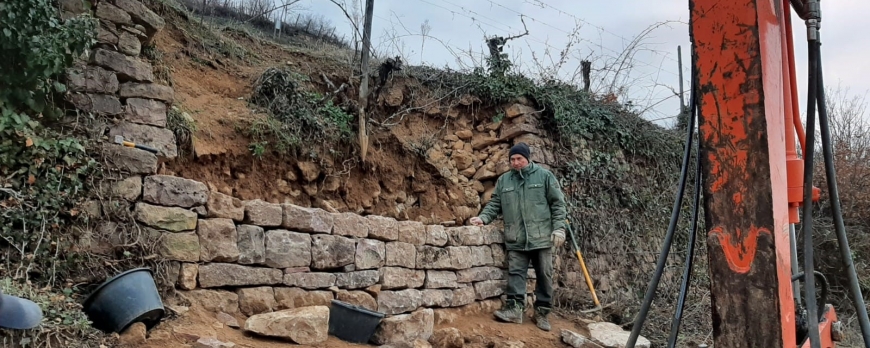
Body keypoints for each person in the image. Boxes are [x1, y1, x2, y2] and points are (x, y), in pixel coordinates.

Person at [469, 142, 567, 331]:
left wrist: (559, 229)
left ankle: (542, 313)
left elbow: (558, 204)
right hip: (516, 237)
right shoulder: (505, 180)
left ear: (527, 158)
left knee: (545, 275)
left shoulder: (544, 176)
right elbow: (495, 203)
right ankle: (514, 310)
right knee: (515, 274)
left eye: (519, 159)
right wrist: (483, 218)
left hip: (541, 236)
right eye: (512, 159)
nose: (515, 162)